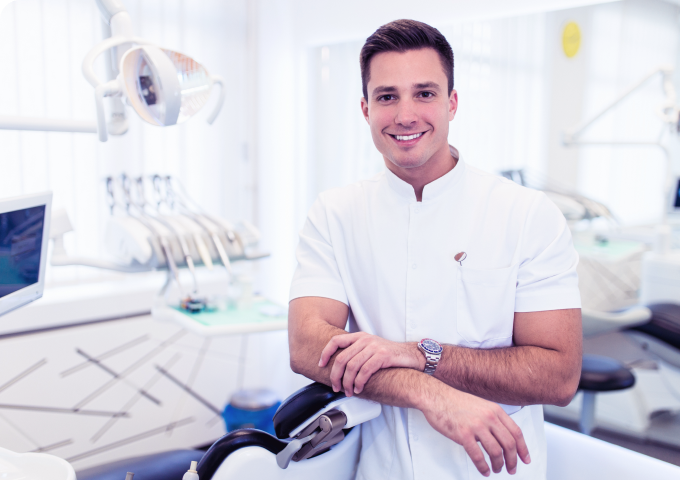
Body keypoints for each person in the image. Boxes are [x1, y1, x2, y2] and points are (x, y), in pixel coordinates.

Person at [288, 19, 582, 480]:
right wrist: (429, 392)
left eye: (424, 93)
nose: (405, 114)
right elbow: (307, 345)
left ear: (452, 103)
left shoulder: (526, 214)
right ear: (365, 109)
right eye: (387, 96)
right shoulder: (336, 213)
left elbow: (559, 375)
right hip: (380, 470)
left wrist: (422, 354)